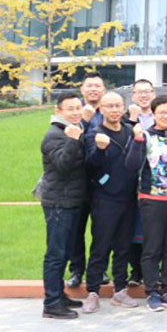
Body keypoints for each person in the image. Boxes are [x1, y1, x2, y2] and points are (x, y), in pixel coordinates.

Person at [124, 95, 167, 312]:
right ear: (153, 115)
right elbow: (131, 165)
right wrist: (137, 141)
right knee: (152, 249)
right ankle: (152, 291)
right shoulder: (144, 135)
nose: (166, 116)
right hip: (152, 200)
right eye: (161, 112)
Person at [81, 92, 141, 313]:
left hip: (129, 197)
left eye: (118, 105)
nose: (114, 110)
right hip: (105, 198)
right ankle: (93, 292)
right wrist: (100, 149)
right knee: (101, 246)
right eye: (109, 106)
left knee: (123, 246)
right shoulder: (94, 133)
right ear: (101, 109)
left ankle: (120, 290)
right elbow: (89, 165)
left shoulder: (129, 130)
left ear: (124, 107)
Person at [39, 92, 88, 319]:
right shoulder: (54, 135)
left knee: (66, 251)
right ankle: (51, 303)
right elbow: (63, 166)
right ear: (58, 111)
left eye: (78, 108)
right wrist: (72, 140)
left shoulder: (72, 130)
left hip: (72, 200)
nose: (76, 112)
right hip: (59, 203)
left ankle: (59, 295)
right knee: (56, 254)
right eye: (70, 109)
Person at [66, 71, 106, 289]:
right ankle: (76, 270)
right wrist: (84, 120)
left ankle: (99, 270)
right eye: (89, 85)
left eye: (97, 86)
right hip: (77, 180)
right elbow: (68, 140)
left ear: (103, 89)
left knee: (101, 230)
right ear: (82, 89)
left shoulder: (109, 111)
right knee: (76, 229)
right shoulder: (74, 112)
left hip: (102, 181)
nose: (93, 89)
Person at [126, 79, 155, 286]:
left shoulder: (162, 116)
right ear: (133, 96)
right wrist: (131, 121)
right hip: (130, 180)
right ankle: (135, 271)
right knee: (132, 226)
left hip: (155, 181)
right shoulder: (125, 118)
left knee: (153, 228)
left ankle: (153, 271)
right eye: (139, 92)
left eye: (147, 92)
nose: (144, 96)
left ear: (153, 94)